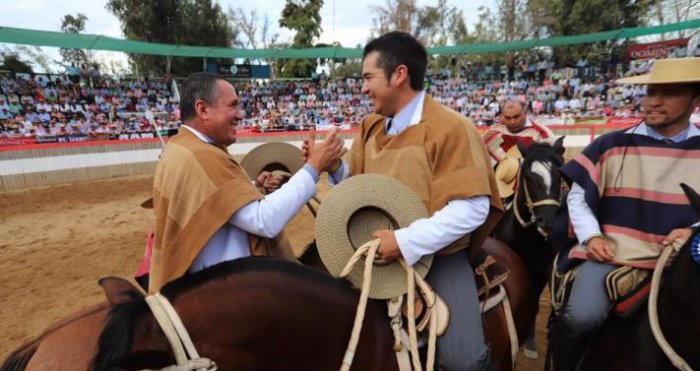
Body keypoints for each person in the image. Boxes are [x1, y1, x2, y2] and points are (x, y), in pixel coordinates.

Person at [305, 31, 502, 371]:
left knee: (465, 361)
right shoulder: (369, 126)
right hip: (374, 253)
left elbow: (473, 207)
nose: (363, 88)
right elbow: (361, 189)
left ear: (399, 75)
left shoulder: (452, 127)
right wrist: (334, 166)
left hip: (439, 257)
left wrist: (403, 241)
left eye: (368, 77)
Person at [553, 57, 700, 370]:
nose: (653, 102)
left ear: (695, 100)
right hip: (615, 254)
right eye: (650, 92)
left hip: (684, 259)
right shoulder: (611, 144)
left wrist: (693, 230)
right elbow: (577, 198)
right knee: (582, 315)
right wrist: (591, 236)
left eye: (669, 93)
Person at [148, 72, 344, 293]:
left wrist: (253, 188)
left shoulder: (182, 147)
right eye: (233, 106)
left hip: (207, 284)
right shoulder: (202, 156)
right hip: (226, 294)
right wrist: (314, 167)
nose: (241, 115)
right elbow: (264, 220)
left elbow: (213, 201)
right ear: (203, 110)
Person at [482, 100, 556, 199]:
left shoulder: (542, 134)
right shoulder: (495, 129)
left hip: (531, 189)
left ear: (525, 112)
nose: (512, 122)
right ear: (501, 115)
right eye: (507, 118)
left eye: (517, 117)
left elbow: (550, 166)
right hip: (497, 185)